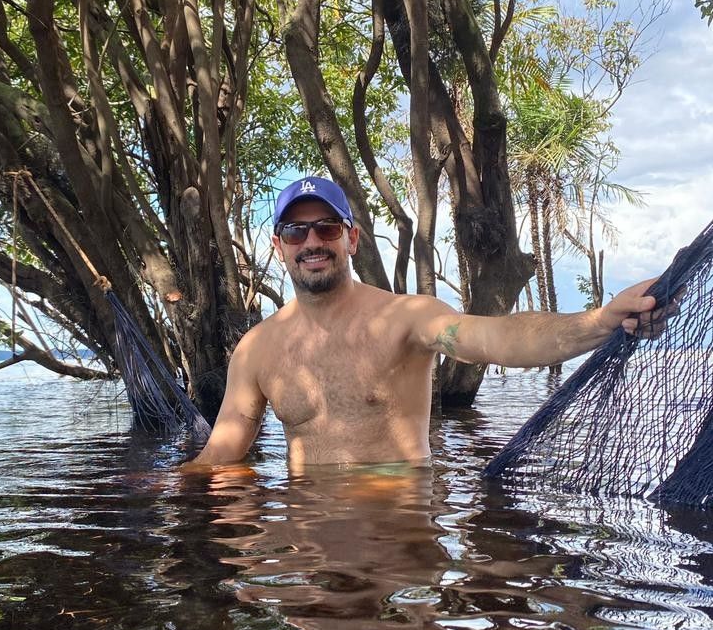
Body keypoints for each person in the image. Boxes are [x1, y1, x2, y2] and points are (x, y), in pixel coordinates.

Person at [190, 176, 659, 469]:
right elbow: (220, 455)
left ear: (351, 239)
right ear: (280, 247)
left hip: (399, 527)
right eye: (296, 231)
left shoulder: (406, 319)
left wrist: (600, 321)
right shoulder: (257, 350)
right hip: (305, 535)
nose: (312, 241)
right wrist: (159, 487)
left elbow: (497, 337)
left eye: (327, 228)